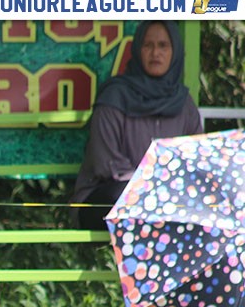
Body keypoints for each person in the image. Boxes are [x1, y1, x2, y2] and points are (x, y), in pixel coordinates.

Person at [72, 21, 202, 231]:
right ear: (138, 50)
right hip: (109, 198)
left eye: (163, 46)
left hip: (166, 201)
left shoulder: (184, 104)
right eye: (148, 45)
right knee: (127, 197)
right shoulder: (115, 97)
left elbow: (196, 160)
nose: (155, 53)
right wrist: (151, 186)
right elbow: (106, 163)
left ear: (175, 52)